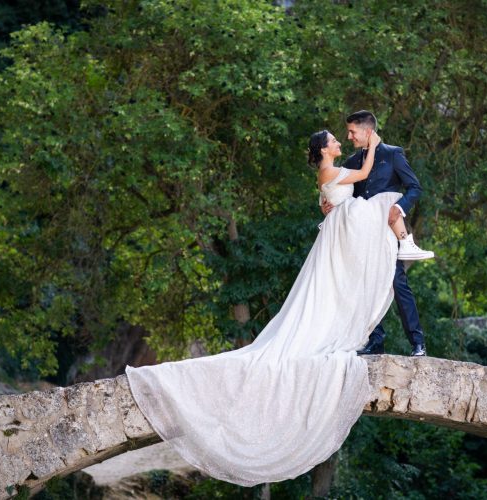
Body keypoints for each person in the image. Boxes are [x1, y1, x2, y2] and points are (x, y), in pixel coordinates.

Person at [125, 124, 404, 487]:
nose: (339, 141)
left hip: (338, 233)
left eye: (342, 136)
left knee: (333, 289)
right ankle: (403, 244)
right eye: (334, 139)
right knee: (380, 213)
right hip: (340, 233)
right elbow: (364, 174)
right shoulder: (331, 168)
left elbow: (333, 195)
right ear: (323, 149)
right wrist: (374, 142)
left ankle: (392, 255)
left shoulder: (329, 171)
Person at [322, 110, 429, 357]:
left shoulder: (393, 154)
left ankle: (418, 343)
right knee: (364, 284)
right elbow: (343, 195)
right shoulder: (350, 162)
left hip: (387, 229)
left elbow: (415, 187)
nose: (348, 136)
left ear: (367, 131)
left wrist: (400, 206)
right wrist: (329, 206)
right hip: (361, 233)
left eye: (352, 131)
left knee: (397, 281)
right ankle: (375, 341)